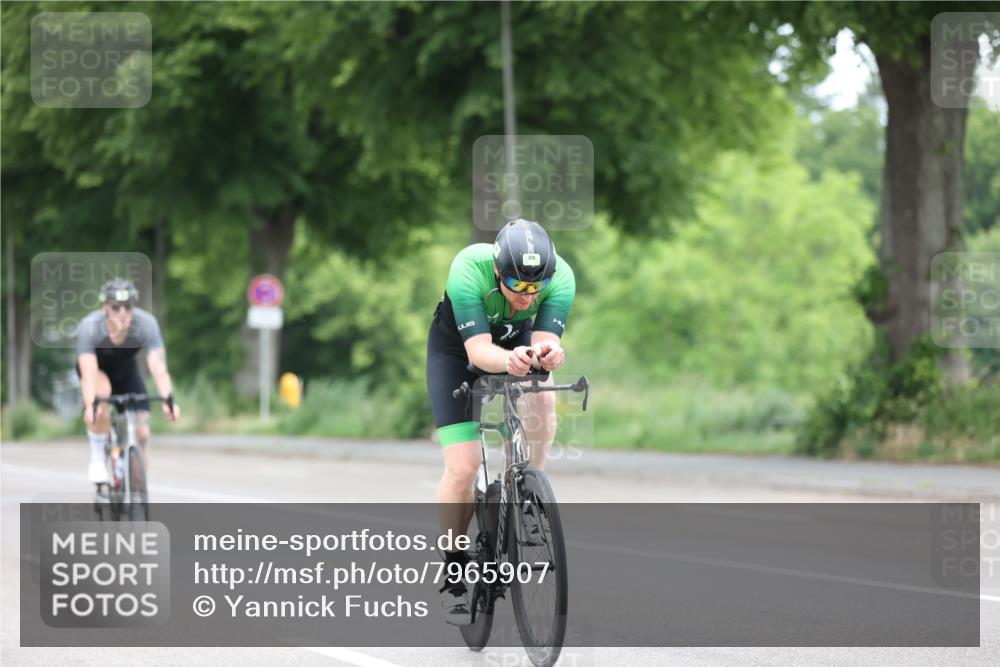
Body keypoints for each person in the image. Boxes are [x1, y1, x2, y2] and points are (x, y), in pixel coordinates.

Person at [426, 218, 576, 624]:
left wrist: (548, 355)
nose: (528, 296)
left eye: (536, 286)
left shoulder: (560, 277)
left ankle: (527, 494)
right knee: (463, 467)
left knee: (543, 399)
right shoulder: (468, 269)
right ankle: (454, 568)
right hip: (457, 356)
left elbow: (546, 340)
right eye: (518, 286)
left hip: (515, 346)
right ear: (497, 270)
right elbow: (477, 353)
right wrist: (508, 361)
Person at [77, 278, 180, 484]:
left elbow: (159, 367)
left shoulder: (146, 324)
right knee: (101, 398)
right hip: (98, 372)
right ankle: (98, 457)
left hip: (127, 373)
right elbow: (88, 371)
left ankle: (136, 489)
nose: (122, 312)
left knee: (142, 432)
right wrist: (90, 405)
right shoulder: (90, 326)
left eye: (128, 306)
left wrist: (169, 400)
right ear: (105, 307)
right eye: (116, 307)